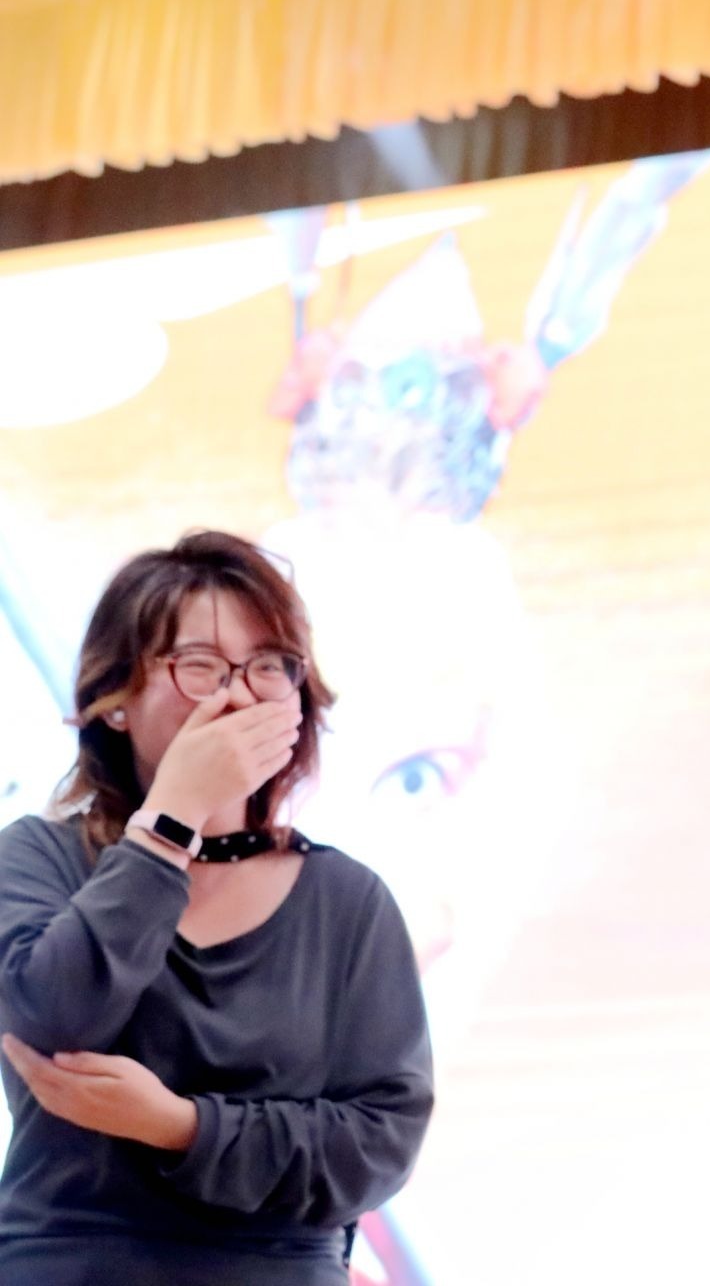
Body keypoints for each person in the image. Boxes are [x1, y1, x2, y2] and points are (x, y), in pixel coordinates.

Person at [0, 530, 432, 1285]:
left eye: (268, 666)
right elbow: (52, 1019)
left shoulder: (347, 900)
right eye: (198, 664)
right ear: (116, 701)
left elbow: (377, 1145)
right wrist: (171, 821)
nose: (237, 695)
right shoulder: (38, 857)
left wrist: (182, 1127)